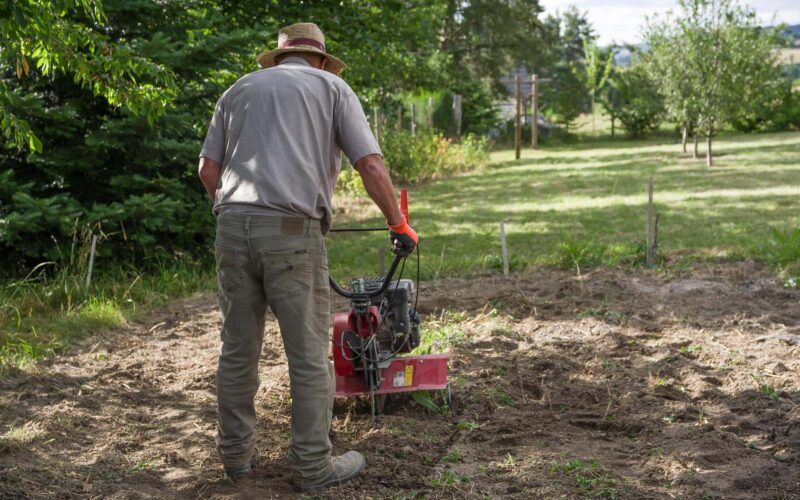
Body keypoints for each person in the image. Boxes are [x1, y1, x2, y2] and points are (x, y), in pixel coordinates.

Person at [196, 22, 418, 492]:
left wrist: (237, 212)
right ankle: (313, 467)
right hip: (293, 232)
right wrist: (398, 222)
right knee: (309, 356)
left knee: (237, 351)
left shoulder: (237, 90)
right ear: (319, 59)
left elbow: (207, 169)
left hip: (231, 227)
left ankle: (235, 461)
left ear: (280, 57)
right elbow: (370, 164)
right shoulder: (331, 88)